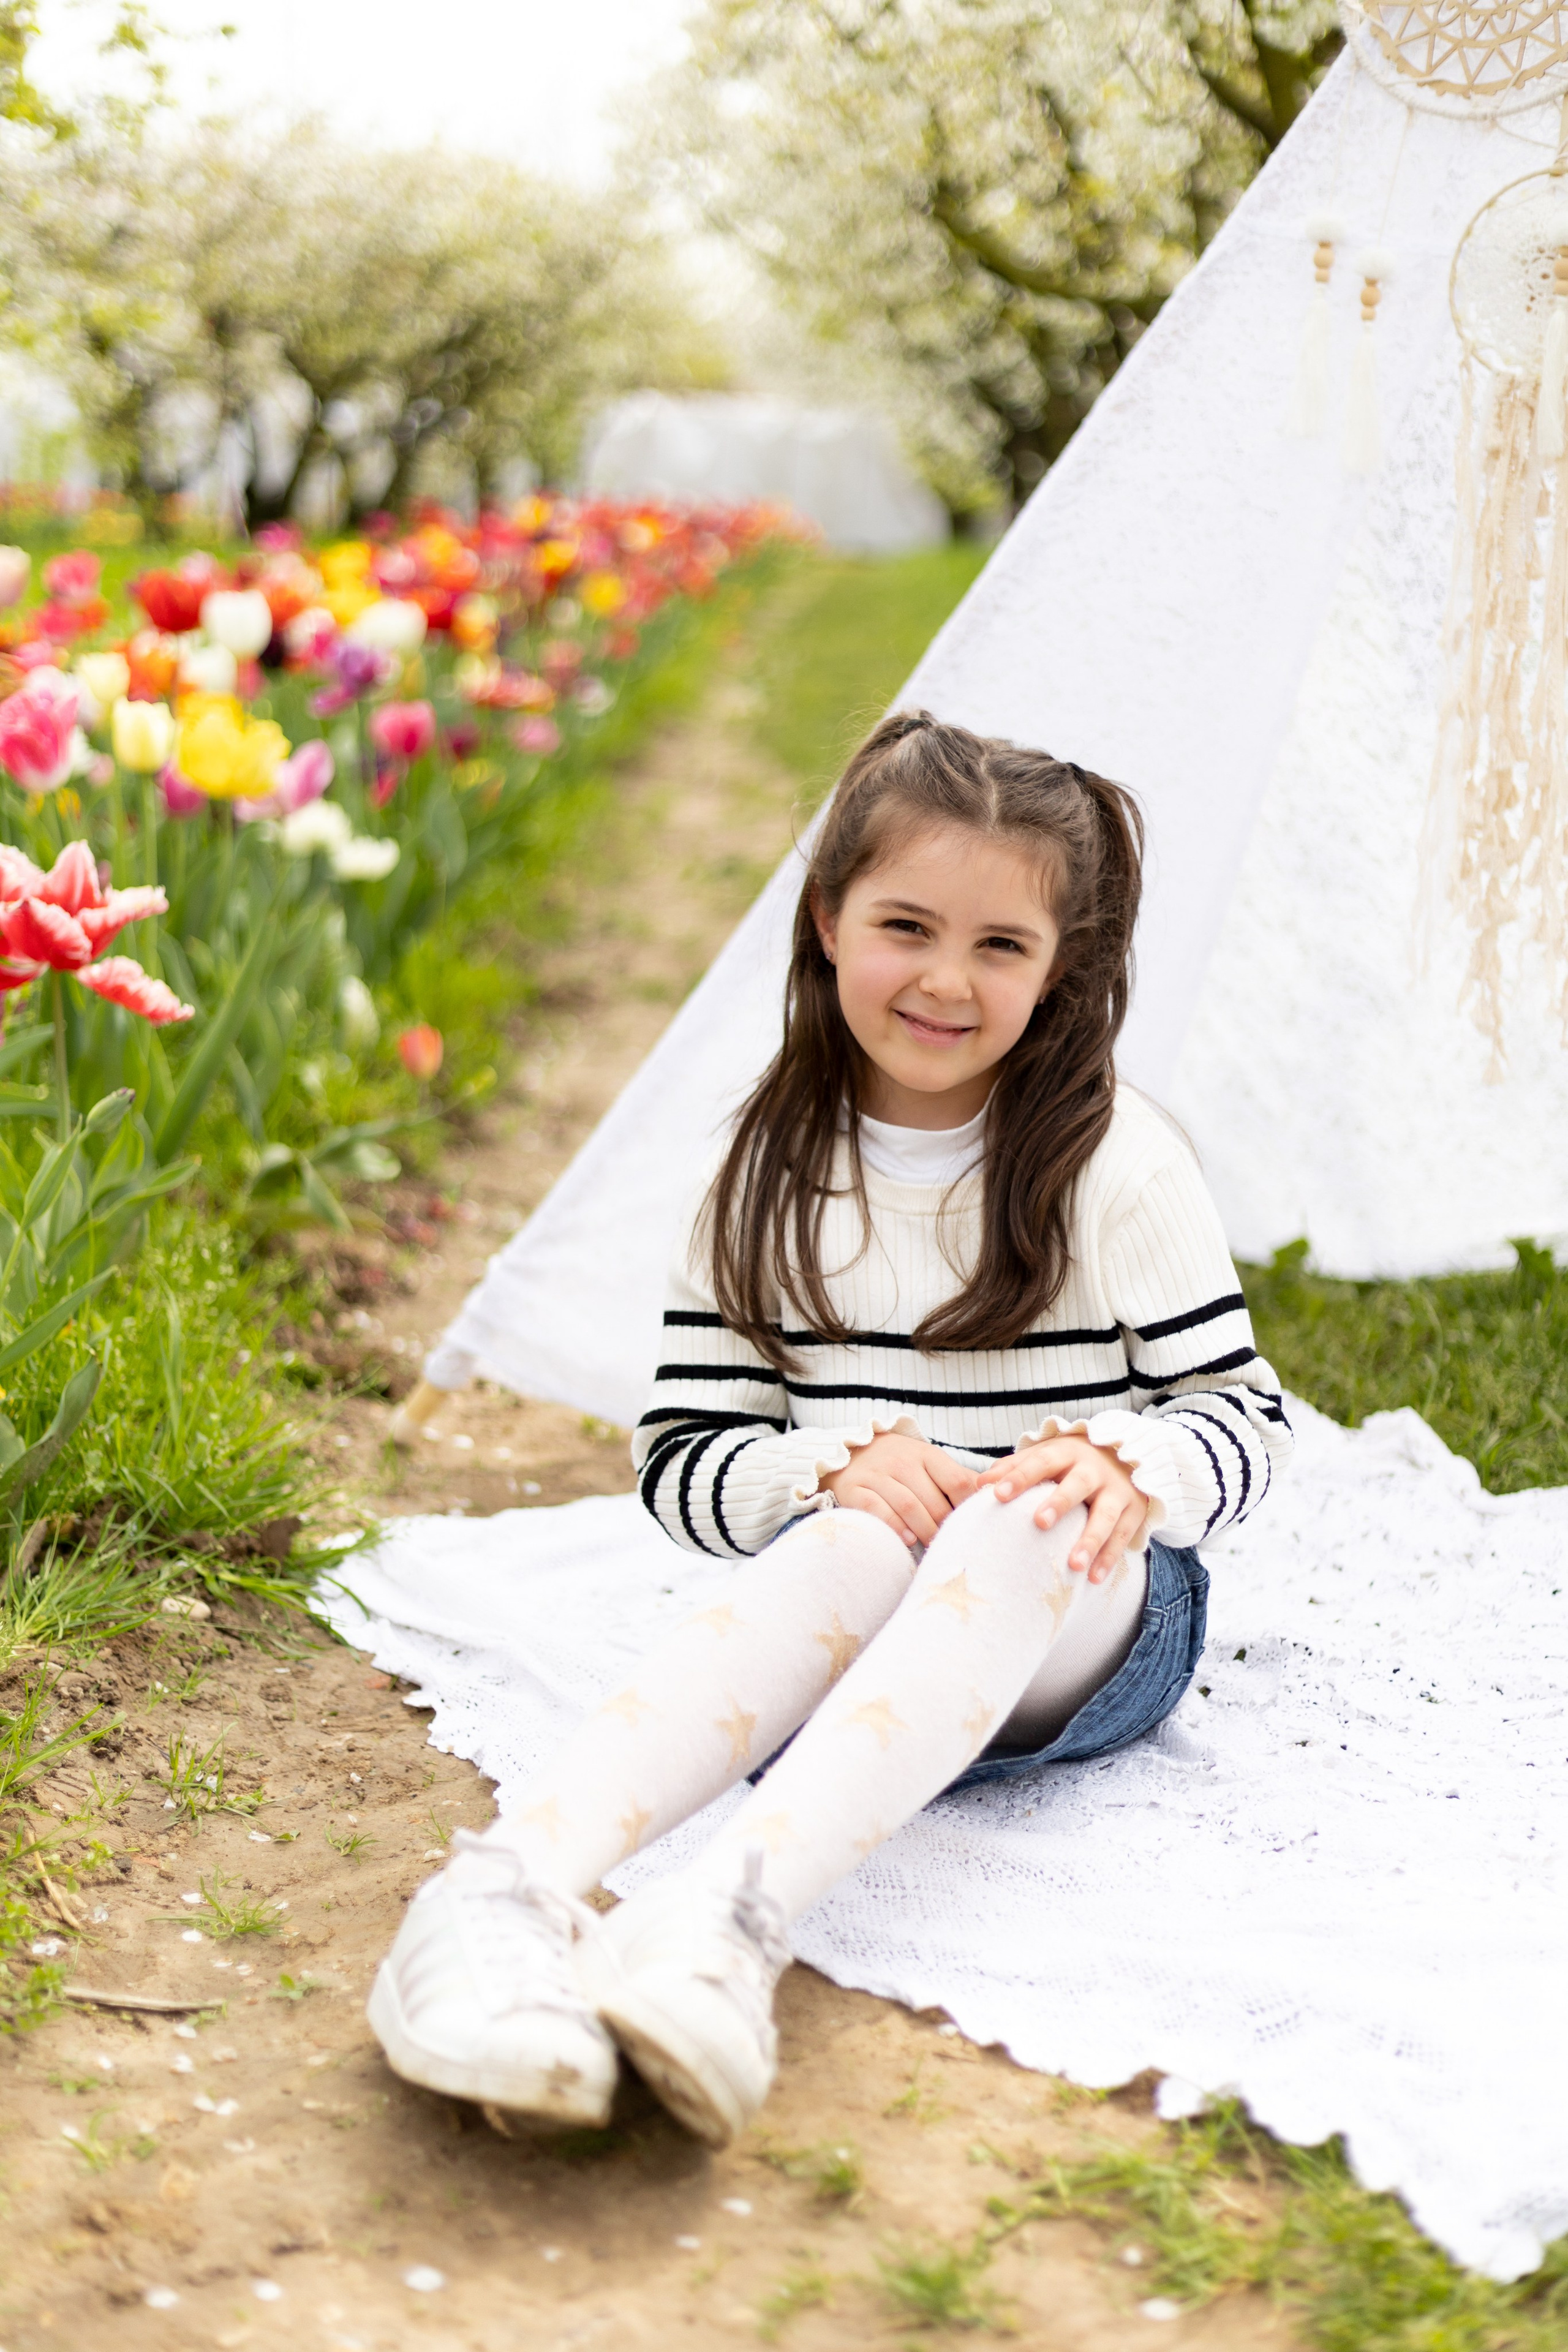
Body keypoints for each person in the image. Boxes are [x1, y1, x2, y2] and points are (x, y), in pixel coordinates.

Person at [368, 712, 1292, 2147]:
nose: (943, 979)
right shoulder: (759, 1176)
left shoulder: (1114, 1160)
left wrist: (1130, 1464)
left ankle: (721, 1920)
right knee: (855, 1536)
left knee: (1016, 1515)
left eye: (999, 945)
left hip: (1081, 1629)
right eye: (904, 926)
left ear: (1060, 972)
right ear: (826, 920)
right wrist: (824, 1465)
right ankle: (501, 1893)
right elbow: (682, 1461)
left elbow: (1243, 1414)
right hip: (852, 1644)